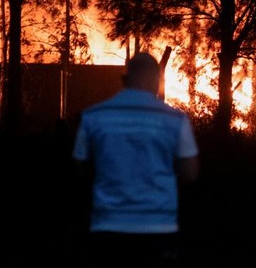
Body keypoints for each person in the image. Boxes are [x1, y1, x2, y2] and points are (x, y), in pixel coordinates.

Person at [72, 52, 200, 267]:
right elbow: (190, 174)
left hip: (108, 226)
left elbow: (78, 168)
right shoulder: (176, 120)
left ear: (125, 80)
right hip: (158, 228)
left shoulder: (93, 116)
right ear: (156, 80)